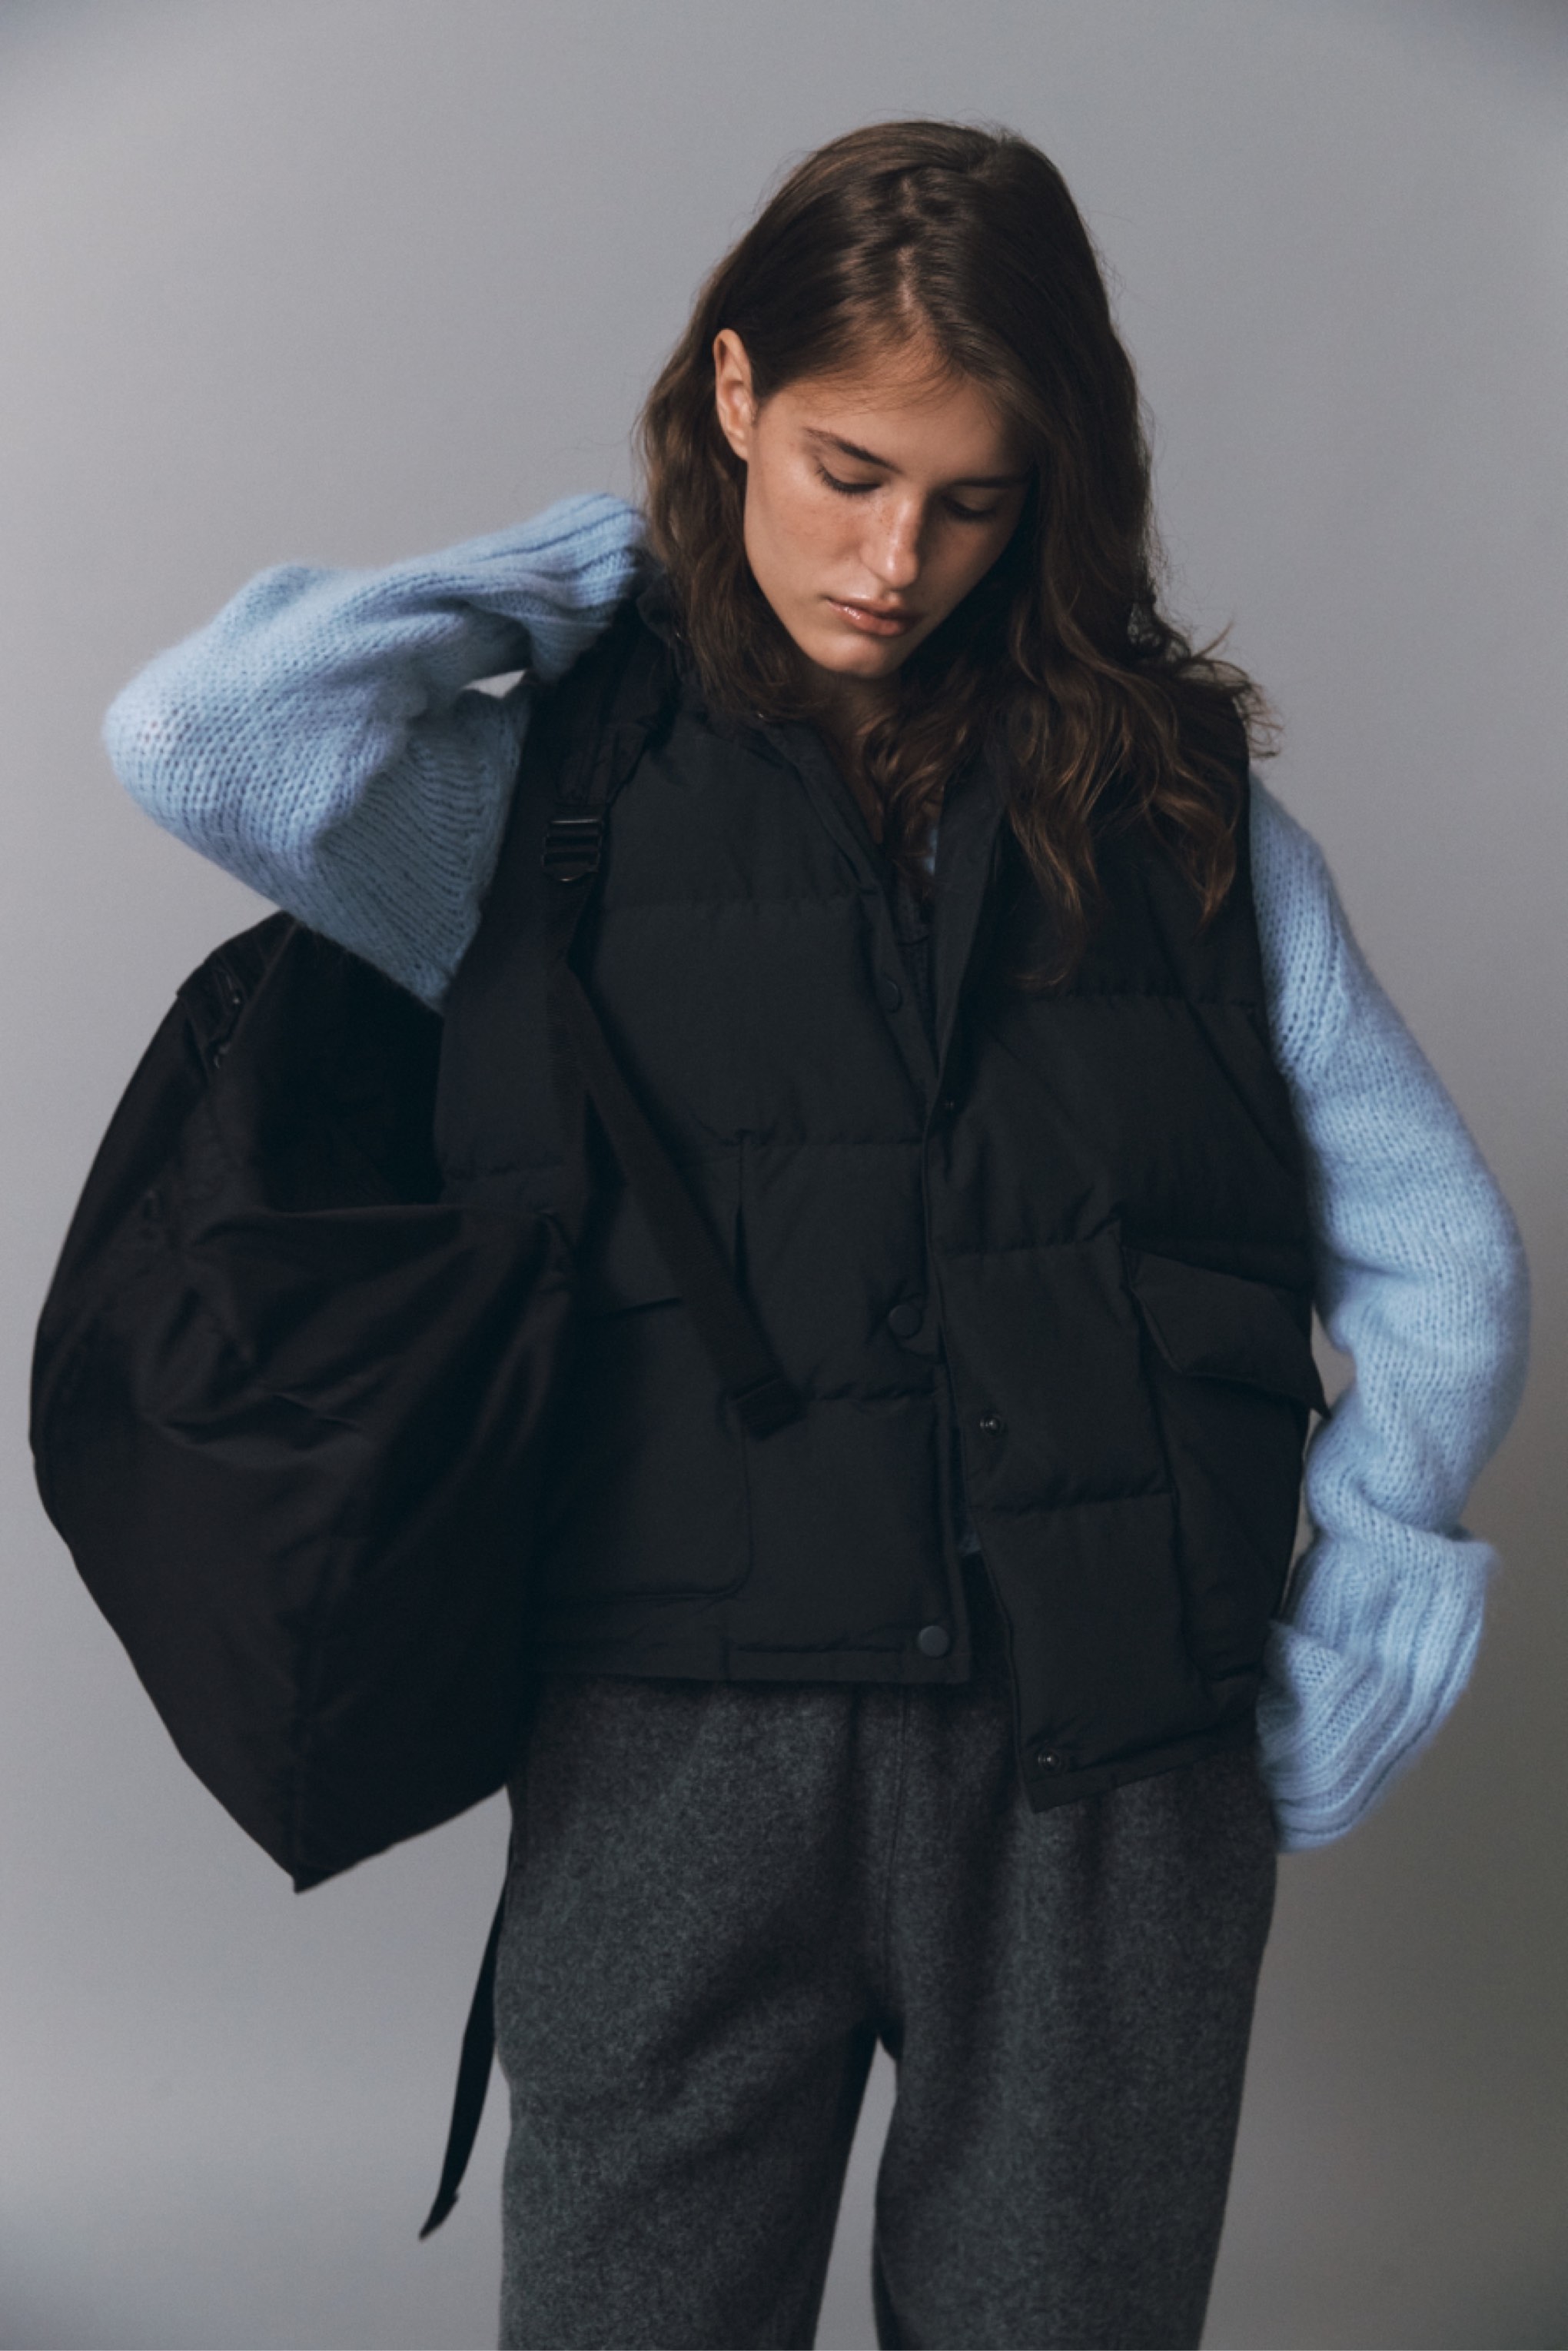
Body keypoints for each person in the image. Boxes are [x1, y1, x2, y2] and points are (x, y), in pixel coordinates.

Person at [102, 120, 1526, 2351]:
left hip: (1103, 1758)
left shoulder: (1174, 807)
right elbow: (198, 736)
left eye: (974, 501)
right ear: (737, 390)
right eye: (848, 471)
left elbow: (1443, 1249)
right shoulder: (535, 789)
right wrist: (562, 578)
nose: (893, 561)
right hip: (674, 1732)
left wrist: (1374, 1576)